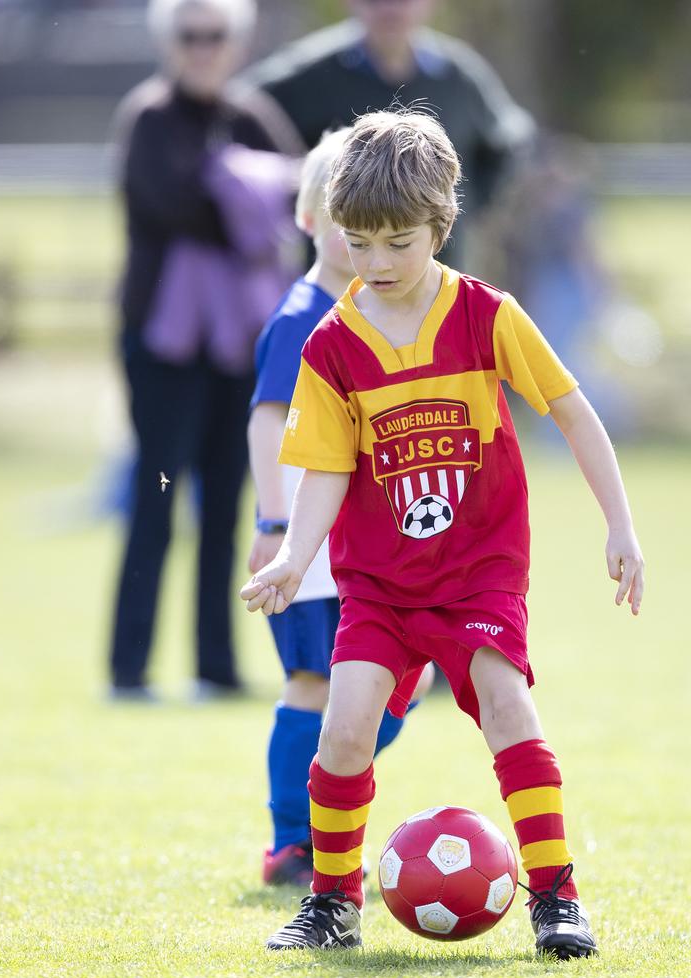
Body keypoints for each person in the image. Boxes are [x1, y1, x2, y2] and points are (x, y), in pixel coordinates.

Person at [240, 110, 645, 957]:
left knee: (507, 707)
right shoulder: (331, 345)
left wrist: (621, 524)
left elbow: (573, 413)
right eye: (359, 243)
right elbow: (326, 469)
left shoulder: (486, 316)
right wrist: (291, 557)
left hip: (477, 577)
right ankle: (333, 903)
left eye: (398, 242)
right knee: (345, 727)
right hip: (381, 585)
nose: (377, 263)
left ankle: (555, 899)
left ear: (440, 225)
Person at [247, 129, 433, 886]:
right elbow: (264, 419)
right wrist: (273, 521)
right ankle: (295, 838)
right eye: (339, 215)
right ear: (310, 221)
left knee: (406, 681)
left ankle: (330, 789)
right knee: (313, 684)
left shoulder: (375, 312)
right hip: (307, 542)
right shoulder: (300, 321)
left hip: (368, 540)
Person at [108, 0, 298, 701]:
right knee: (156, 500)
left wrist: (236, 190)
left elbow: (295, 197)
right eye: (190, 36)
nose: (203, 48)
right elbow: (167, 203)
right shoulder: (149, 118)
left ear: (235, 43)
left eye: (216, 36)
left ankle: (214, 666)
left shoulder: (252, 117)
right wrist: (243, 194)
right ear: (169, 43)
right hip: (163, 344)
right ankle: (128, 670)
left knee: (226, 502)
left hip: (236, 347)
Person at [239, 0, 535, 268]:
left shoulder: (457, 76)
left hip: (439, 281)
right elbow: (238, 115)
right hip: (343, 286)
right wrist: (295, 195)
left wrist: (462, 203)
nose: (390, 10)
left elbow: (509, 142)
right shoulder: (309, 72)